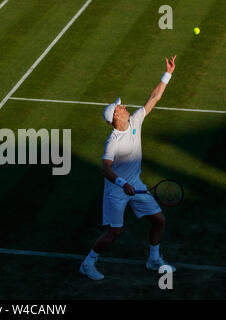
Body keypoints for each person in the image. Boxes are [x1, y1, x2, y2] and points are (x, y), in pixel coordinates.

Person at [80, 56, 177, 280]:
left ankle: (153, 260)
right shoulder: (113, 140)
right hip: (116, 191)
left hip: (135, 185)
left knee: (159, 220)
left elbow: (154, 98)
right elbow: (105, 169)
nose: (123, 106)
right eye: (119, 107)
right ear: (115, 117)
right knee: (114, 233)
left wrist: (168, 73)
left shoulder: (135, 120)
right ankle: (88, 263)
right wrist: (123, 184)